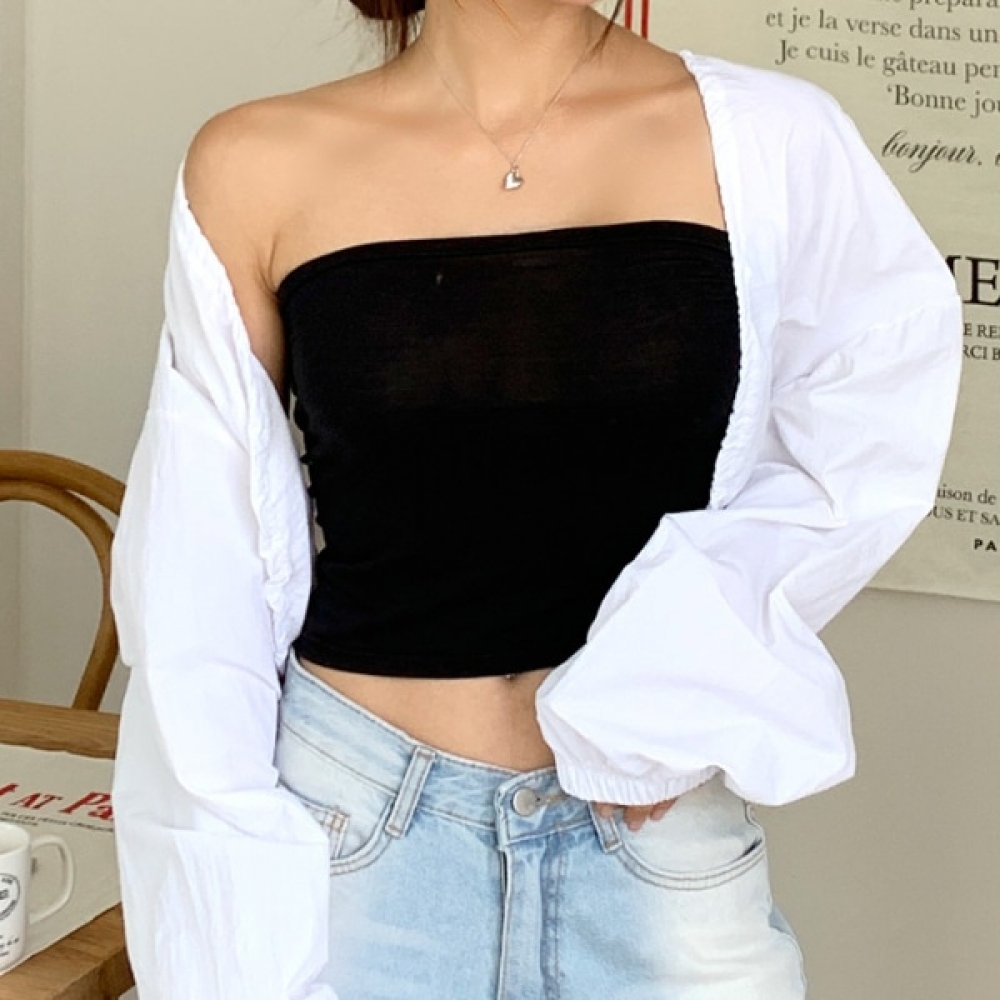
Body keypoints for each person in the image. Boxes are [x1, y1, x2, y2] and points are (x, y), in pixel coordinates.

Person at [108, 0, 963, 998]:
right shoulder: (257, 163)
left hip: (651, 859)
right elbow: (199, 580)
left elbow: (859, 450)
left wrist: (674, 682)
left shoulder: (773, 139)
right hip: (357, 837)